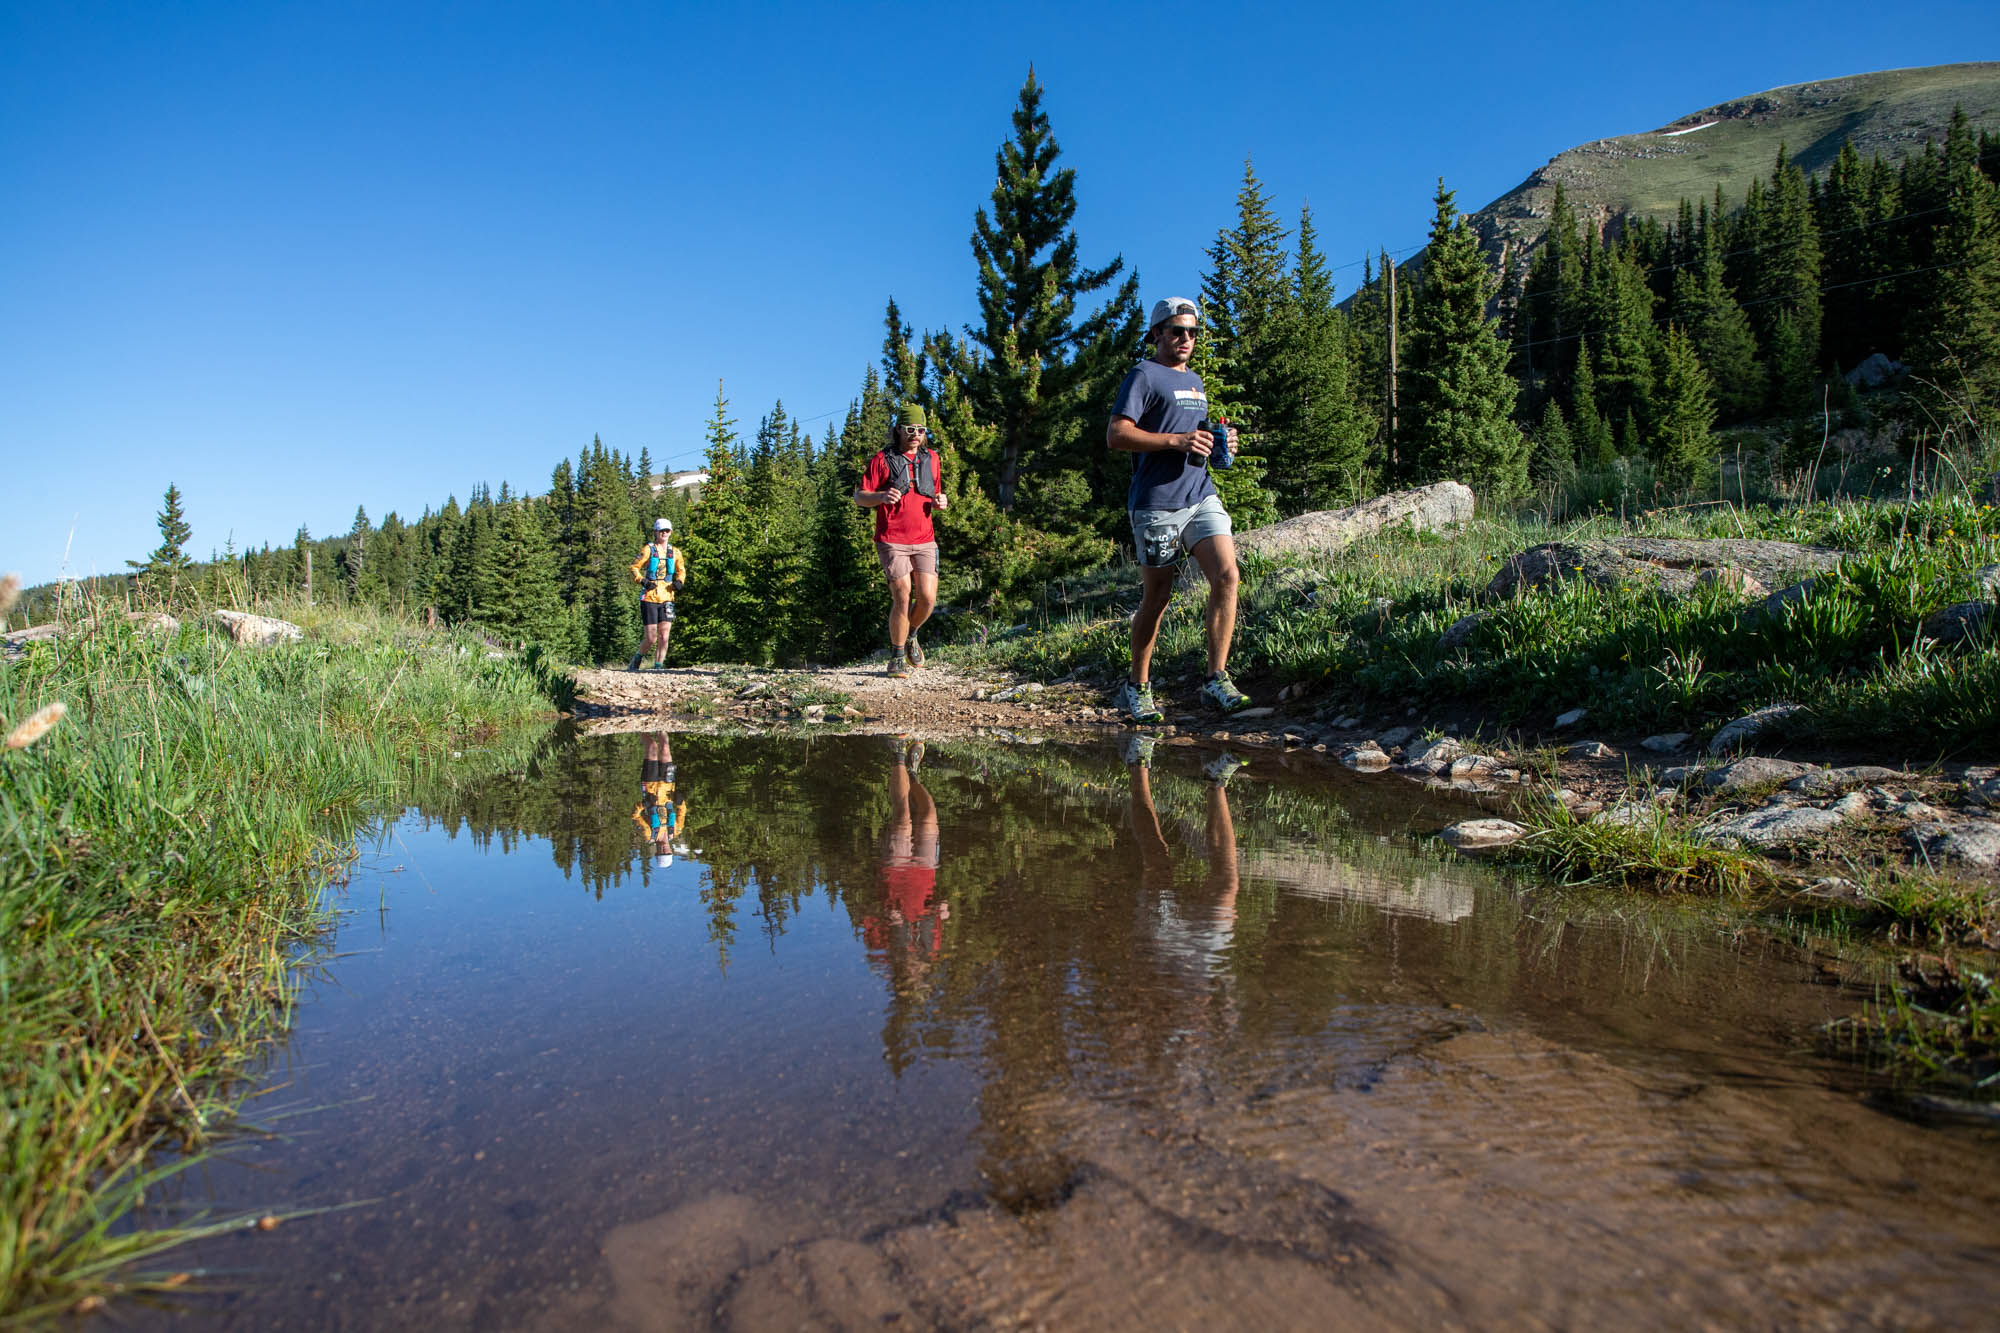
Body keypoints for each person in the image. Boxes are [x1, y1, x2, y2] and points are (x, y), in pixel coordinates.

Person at [1106, 296, 1251, 722]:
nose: (1186, 338)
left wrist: (1221, 443)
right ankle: (1137, 686)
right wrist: (1177, 441)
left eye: (1192, 332)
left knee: (1227, 575)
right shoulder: (1143, 375)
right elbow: (1116, 434)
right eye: (1177, 331)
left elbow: (1194, 435)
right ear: (1157, 334)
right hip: (1156, 503)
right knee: (1158, 596)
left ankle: (1215, 680)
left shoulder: (1196, 380)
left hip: (1200, 494)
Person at [856, 404, 948, 678]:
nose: (915, 434)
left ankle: (912, 636)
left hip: (925, 539)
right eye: (910, 429)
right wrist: (881, 497)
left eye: (921, 429)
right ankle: (896, 657)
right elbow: (860, 497)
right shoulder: (882, 459)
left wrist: (940, 502)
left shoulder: (932, 458)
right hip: (891, 539)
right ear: (898, 429)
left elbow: (935, 493)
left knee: (928, 598)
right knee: (902, 594)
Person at [627, 517, 686, 671]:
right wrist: (642, 581)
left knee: (664, 635)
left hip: (668, 597)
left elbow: (681, 570)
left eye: (667, 530)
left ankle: (658, 667)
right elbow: (634, 567)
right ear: (655, 532)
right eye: (661, 531)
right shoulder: (648, 549)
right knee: (651, 637)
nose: (664, 533)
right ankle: (637, 659)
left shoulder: (675, 552)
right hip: (650, 597)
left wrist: (680, 581)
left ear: (671, 532)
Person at [632, 732, 689, 869]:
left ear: (656, 853)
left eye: (661, 853)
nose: (664, 850)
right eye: (667, 853)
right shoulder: (676, 830)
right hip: (668, 786)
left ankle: (641, 729)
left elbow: (635, 816)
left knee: (652, 747)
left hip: (650, 787)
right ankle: (661, 727)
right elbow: (682, 811)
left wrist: (644, 804)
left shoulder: (649, 835)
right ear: (671, 851)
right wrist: (680, 801)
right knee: (665, 750)